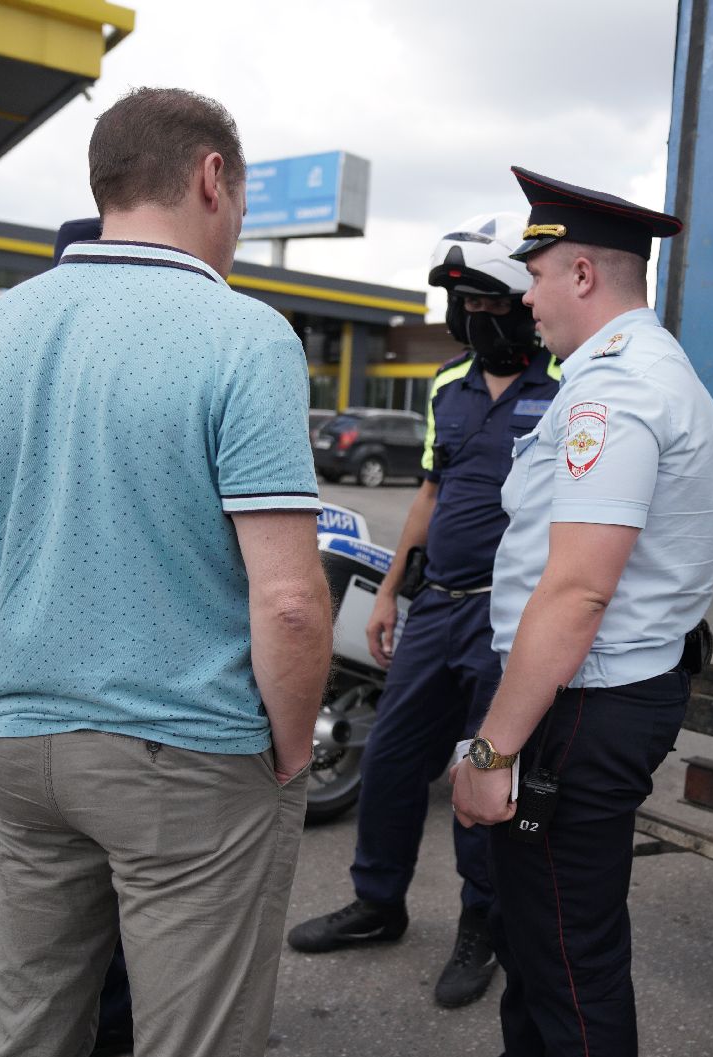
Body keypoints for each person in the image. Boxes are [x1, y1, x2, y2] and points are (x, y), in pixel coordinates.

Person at [0, 87, 333, 1057]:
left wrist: (16, 683)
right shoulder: (243, 335)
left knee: (22, 1012)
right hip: (189, 754)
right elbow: (287, 597)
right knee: (191, 1049)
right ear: (210, 178)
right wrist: (287, 748)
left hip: (23, 746)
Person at [447, 168, 713, 1057]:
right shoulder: (625, 375)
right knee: (539, 933)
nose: (523, 299)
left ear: (579, 277)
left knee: (571, 957)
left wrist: (491, 754)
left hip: (579, 704)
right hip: (588, 695)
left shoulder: (614, 393)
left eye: (535, 275)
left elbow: (574, 594)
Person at [286, 212, 562, 1009]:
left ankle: (482, 926)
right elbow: (430, 495)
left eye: (488, 305)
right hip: (435, 607)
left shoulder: (568, 383)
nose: (475, 320)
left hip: (508, 619)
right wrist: (391, 591)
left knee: (482, 769)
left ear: (517, 305)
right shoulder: (447, 387)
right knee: (396, 755)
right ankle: (378, 903)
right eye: (463, 307)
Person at [0, 216, 134, 1057]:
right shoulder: (123, 389)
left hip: (1, 684)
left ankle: (26, 1032)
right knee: (86, 882)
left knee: (24, 882)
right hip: (93, 690)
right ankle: (96, 1026)